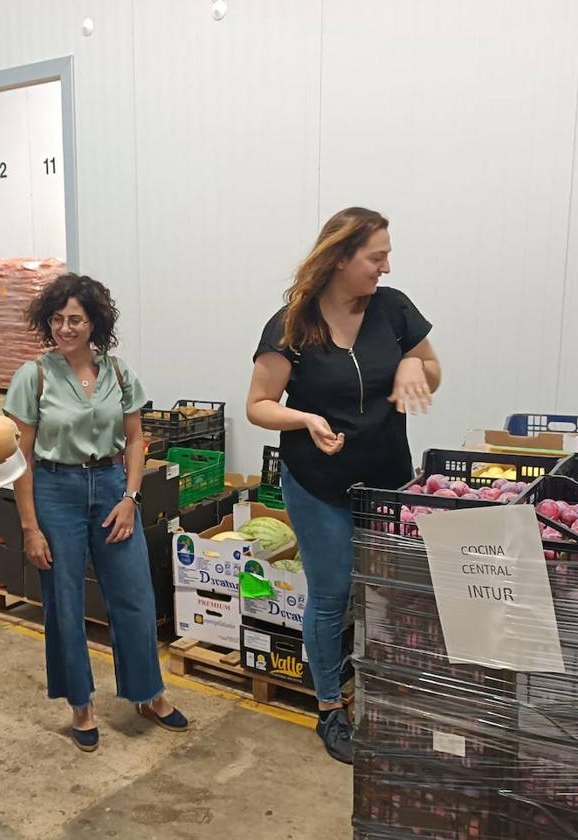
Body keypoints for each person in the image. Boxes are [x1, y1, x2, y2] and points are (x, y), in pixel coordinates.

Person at [246, 208, 441, 765]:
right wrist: (305, 419)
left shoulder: (393, 309)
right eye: (375, 257)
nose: (386, 266)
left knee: (382, 589)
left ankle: (373, 678)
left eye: (386, 256)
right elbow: (258, 406)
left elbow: (432, 369)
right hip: (318, 479)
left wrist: (413, 368)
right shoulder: (291, 325)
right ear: (339, 257)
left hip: (386, 478)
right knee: (331, 593)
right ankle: (330, 706)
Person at [4, 273, 188, 752]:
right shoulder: (35, 376)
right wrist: (30, 526)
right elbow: (18, 454)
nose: (65, 329)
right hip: (55, 488)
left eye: (76, 320)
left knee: (134, 595)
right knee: (63, 602)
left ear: (94, 323)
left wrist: (130, 498)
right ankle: (80, 703)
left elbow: (135, 440)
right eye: (58, 319)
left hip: (110, 486)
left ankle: (148, 693)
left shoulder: (119, 373)